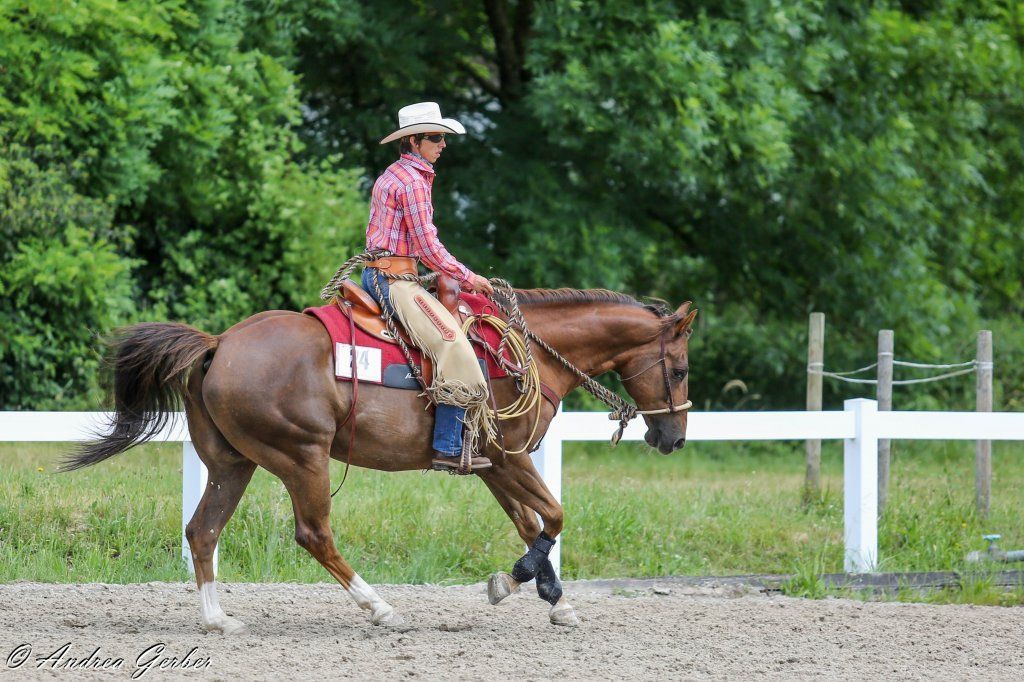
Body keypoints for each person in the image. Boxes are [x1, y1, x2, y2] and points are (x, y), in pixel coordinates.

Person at [363, 102, 494, 472]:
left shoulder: (394, 174)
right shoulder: (412, 183)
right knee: (453, 344)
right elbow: (428, 248)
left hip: (384, 272)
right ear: (414, 141)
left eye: (443, 137)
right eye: (436, 137)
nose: (443, 144)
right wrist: (471, 278)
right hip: (394, 279)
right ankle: (448, 447)